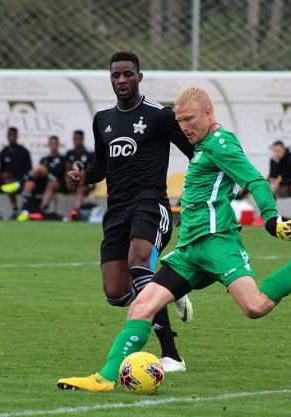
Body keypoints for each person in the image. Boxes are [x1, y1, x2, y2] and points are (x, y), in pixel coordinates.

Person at [57, 87, 291, 392]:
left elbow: (255, 180)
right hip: (189, 251)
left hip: (218, 244)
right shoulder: (202, 146)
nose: (184, 127)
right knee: (141, 307)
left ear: (208, 113)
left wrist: (271, 219)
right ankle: (105, 377)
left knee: (255, 307)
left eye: (189, 119)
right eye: (179, 121)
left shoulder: (221, 143)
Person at [62, 51, 195, 373]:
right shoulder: (103, 119)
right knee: (116, 293)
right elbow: (100, 168)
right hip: (116, 211)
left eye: (127, 74)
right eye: (116, 76)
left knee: (139, 262)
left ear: (139, 77)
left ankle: (171, 355)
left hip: (150, 204)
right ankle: (169, 287)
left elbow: (196, 151)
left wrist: (212, 187)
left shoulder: (160, 116)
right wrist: (83, 178)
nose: (121, 80)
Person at [17, 135, 68, 220]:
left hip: (57, 183)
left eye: (55, 144)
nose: (53, 146)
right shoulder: (44, 159)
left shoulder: (63, 159)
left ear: (58, 145)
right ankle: (25, 209)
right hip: (43, 183)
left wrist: (47, 171)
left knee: (45, 174)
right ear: (48, 145)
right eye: (51, 144)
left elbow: (62, 173)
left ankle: (41, 209)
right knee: (29, 184)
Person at [0, 127, 32, 219]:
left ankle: (15, 209)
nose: (12, 137)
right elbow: (1, 170)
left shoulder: (23, 152)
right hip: (5, 179)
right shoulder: (3, 152)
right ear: (7, 137)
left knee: (10, 183)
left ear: (17, 136)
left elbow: (28, 170)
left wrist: (15, 176)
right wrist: (3, 174)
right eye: (10, 135)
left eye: (13, 135)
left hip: (19, 180)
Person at [65, 129, 94, 214]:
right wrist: (67, 180)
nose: (76, 140)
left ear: (82, 139)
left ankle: (75, 211)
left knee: (80, 188)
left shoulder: (89, 153)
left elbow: (92, 169)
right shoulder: (69, 153)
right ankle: (44, 209)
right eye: (75, 138)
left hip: (85, 182)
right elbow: (67, 169)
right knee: (52, 184)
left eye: (78, 138)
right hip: (72, 180)